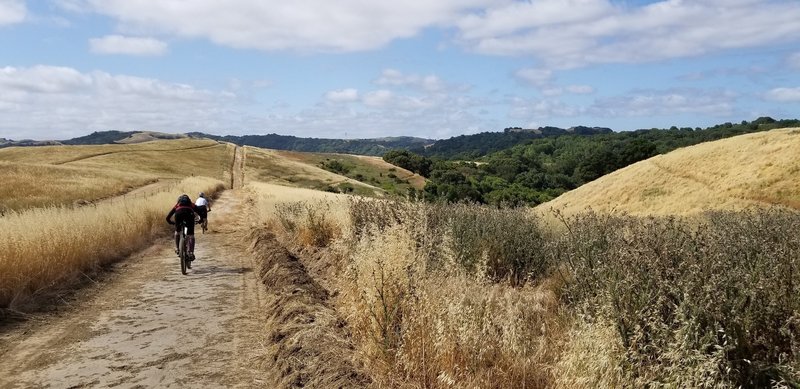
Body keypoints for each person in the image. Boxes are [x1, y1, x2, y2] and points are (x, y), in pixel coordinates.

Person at [166, 194, 200, 262]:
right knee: (191, 235)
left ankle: (177, 248)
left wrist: (171, 222)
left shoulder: (177, 205)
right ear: (188, 200)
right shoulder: (191, 204)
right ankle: (191, 252)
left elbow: (168, 217)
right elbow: (199, 211)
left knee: (177, 232)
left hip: (179, 214)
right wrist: (201, 219)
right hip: (189, 214)